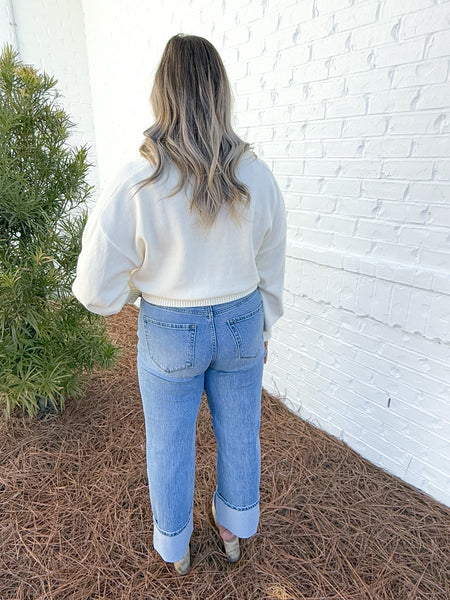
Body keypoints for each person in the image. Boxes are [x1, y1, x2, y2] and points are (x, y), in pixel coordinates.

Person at [72, 33, 287, 575]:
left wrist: (138, 291)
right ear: (220, 94)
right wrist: (264, 324)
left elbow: (94, 288)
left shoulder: (138, 181)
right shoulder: (254, 175)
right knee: (241, 432)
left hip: (169, 326)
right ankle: (234, 529)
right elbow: (272, 259)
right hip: (240, 320)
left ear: (162, 94)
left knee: (168, 442)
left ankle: (177, 547)